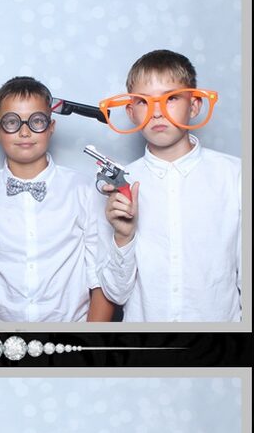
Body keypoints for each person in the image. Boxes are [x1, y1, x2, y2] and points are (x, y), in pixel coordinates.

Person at [94, 49, 242, 322]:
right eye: (143, 102)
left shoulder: (235, 176)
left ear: (194, 106)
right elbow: (115, 294)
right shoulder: (119, 185)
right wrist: (123, 237)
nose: (157, 112)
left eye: (171, 98)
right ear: (131, 112)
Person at [0, 76, 103, 324]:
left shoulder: (84, 190)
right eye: (12, 122)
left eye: (37, 121)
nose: (24, 132)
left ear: (51, 127)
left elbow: (100, 279)